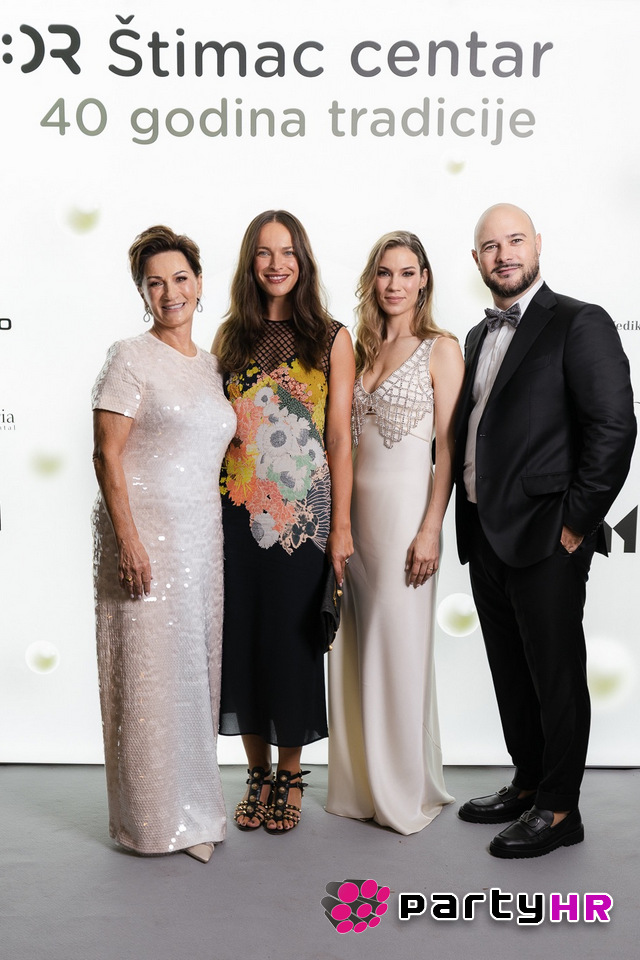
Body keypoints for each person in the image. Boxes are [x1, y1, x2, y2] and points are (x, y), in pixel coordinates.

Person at [454, 203, 636, 858]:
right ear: (476, 260)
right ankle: (529, 783)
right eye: (490, 245)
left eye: (515, 241)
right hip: (485, 531)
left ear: (537, 245)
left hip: (547, 534)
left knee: (555, 675)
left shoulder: (578, 321)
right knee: (510, 672)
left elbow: (614, 427)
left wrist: (575, 524)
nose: (503, 254)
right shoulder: (476, 336)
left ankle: (560, 809)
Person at [92, 226, 236, 863]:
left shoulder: (210, 365)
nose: (170, 292)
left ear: (199, 284)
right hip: (145, 538)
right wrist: (129, 541)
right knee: (150, 678)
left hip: (201, 539)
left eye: (180, 278)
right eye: (156, 283)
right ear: (142, 292)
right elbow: (107, 454)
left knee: (193, 674)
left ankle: (196, 807)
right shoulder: (129, 356)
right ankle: (154, 822)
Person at [214, 210, 354, 832]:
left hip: (302, 520)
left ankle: (291, 774)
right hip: (237, 514)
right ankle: (257, 773)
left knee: (292, 644)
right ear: (251, 262)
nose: (277, 264)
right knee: (243, 640)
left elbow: (340, 439)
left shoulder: (331, 337)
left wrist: (340, 526)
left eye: (288, 251)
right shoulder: (229, 338)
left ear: (304, 260)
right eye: (265, 253)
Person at [326, 231, 465, 835]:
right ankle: (361, 786)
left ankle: (402, 790)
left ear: (424, 279)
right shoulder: (359, 349)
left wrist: (431, 527)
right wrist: (337, 522)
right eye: (385, 272)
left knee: (399, 647)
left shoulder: (442, 349)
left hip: (407, 517)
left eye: (407, 273)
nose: (395, 285)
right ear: (372, 279)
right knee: (353, 645)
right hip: (354, 519)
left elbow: (448, 450)